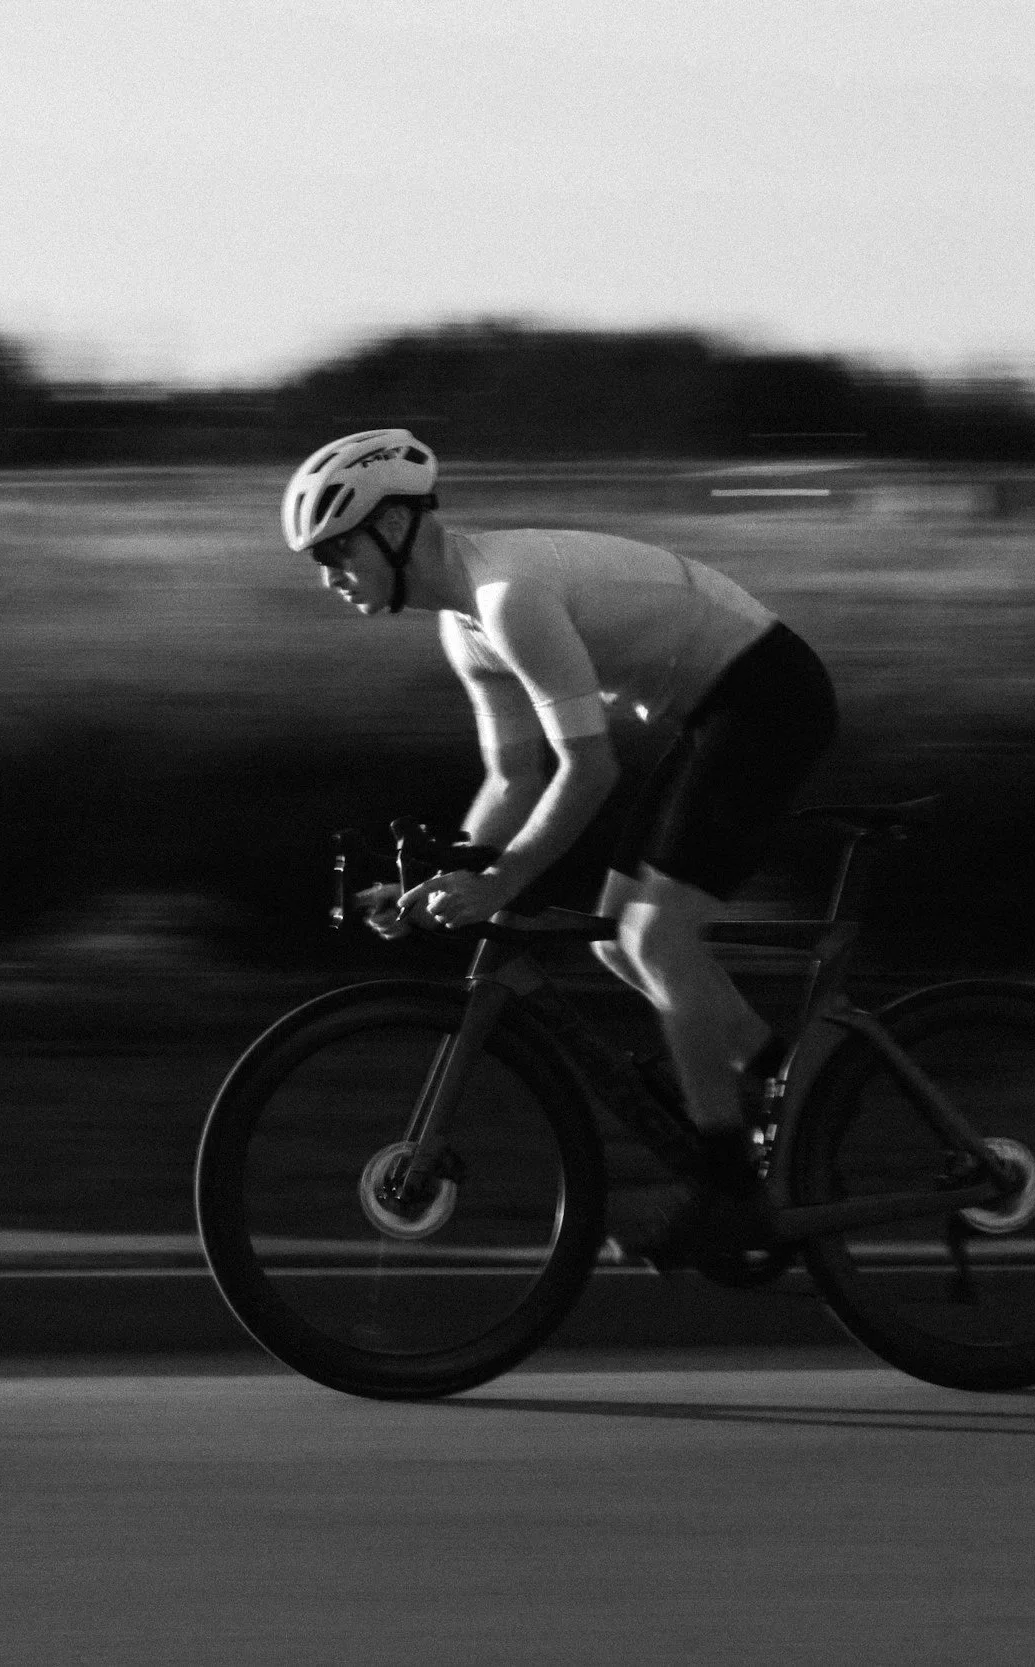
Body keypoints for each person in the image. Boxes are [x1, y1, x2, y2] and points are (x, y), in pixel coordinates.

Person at [281, 428, 838, 1234]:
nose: (328, 576)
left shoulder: (509, 598)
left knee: (657, 938)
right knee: (618, 944)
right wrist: (430, 881)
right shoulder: (466, 626)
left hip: (766, 697)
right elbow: (515, 778)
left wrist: (500, 883)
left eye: (336, 550)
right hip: (716, 711)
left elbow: (589, 771)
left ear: (395, 527)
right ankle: (792, 1084)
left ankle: (728, 1190)